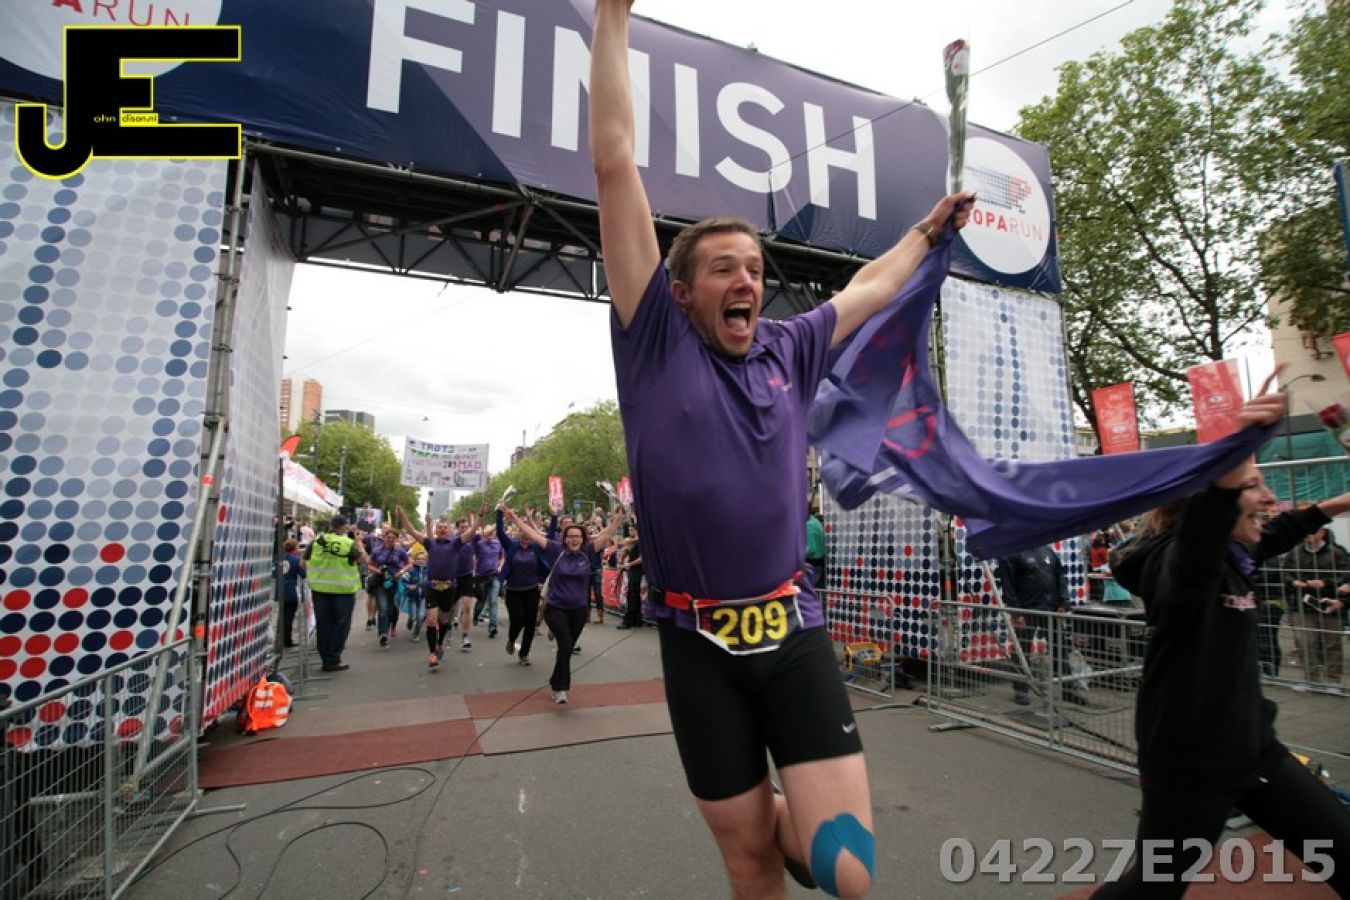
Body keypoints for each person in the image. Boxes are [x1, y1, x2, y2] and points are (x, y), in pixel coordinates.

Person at [589, 3, 973, 894]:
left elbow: (869, 288)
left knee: (848, 872)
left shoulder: (789, 349)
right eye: (724, 268)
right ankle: (757, 822)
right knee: (750, 862)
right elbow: (613, 160)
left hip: (791, 631)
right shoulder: (653, 342)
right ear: (681, 292)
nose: (747, 280)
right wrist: (612, 17)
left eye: (756, 269)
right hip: (696, 645)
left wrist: (926, 232)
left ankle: (779, 817)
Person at [1091, 386, 1350, 898]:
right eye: (1253, 487)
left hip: (1255, 751)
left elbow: (1278, 532)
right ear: (1208, 505)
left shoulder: (1236, 554)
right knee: (1151, 888)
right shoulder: (1180, 567)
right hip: (1190, 763)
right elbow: (1201, 539)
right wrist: (1240, 442)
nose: (1270, 498)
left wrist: (1340, 502)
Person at [504, 506, 625, 702]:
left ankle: (555, 679)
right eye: (570, 536)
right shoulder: (555, 550)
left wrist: (619, 519)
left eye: (577, 536)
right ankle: (560, 689)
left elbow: (607, 534)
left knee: (566, 649)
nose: (574, 539)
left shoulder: (588, 551)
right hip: (556, 608)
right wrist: (515, 519)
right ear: (565, 538)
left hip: (579, 610)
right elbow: (533, 534)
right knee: (566, 645)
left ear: (583, 538)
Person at [996, 544, 1087, 707]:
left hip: (1050, 609)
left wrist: (1064, 601)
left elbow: (1060, 576)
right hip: (1027, 610)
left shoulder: (1048, 551)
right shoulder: (1011, 553)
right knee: (1022, 650)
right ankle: (1021, 690)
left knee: (1060, 649)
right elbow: (1008, 584)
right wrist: (1016, 612)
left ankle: (1067, 690)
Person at [1284, 523, 1350, 690]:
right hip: (1302, 604)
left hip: (1330, 603)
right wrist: (1293, 582)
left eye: (1313, 531)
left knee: (1332, 643)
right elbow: (1285, 572)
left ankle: (1333, 680)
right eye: (1306, 531)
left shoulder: (1336, 552)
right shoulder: (1295, 552)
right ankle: (1311, 679)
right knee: (1304, 643)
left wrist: (1326, 583)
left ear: (1322, 533)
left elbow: (1346, 575)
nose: (1308, 534)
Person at [398, 509, 460, 670]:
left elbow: (472, 531)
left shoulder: (455, 543)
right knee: (431, 620)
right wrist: (402, 516)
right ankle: (432, 653)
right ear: (436, 530)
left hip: (449, 587)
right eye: (440, 527)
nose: (443, 529)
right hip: (432, 587)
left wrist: (481, 515)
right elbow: (412, 530)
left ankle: (440, 643)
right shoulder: (430, 543)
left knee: (444, 620)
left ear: (450, 530)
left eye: (445, 527)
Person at [304, 514, 365, 672]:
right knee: (341, 624)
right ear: (344, 527)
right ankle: (333, 659)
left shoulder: (316, 541)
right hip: (343, 590)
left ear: (331, 525)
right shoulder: (348, 543)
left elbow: (303, 563)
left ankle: (325, 658)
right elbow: (362, 559)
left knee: (323, 624)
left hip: (320, 589)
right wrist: (359, 542)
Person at [496, 505, 550, 667]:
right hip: (513, 591)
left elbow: (551, 536)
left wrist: (554, 516)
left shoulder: (536, 547)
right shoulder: (511, 545)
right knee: (517, 620)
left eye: (529, 533)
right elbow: (500, 532)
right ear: (520, 532)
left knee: (530, 624)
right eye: (524, 532)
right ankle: (511, 639)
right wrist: (499, 513)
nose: (527, 535)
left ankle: (524, 654)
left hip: (531, 590)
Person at [367, 528, 411, 647]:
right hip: (379, 582)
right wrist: (377, 570)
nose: (390, 539)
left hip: (393, 581)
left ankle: (387, 628)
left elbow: (409, 564)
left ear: (396, 538)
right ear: (384, 537)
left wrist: (401, 572)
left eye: (393, 537)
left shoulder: (400, 551)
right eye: (388, 537)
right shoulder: (377, 550)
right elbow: (369, 565)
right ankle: (383, 634)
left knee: (391, 609)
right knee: (383, 608)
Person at [472, 522, 504, 639]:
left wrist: (500, 566)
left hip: (494, 576)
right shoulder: (478, 543)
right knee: (481, 601)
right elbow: (475, 540)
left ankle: (493, 626)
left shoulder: (498, 544)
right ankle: (475, 615)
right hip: (481, 577)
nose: (490, 534)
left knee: (493, 600)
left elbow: (502, 557)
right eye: (488, 532)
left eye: (492, 532)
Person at [617, 526, 644, 629]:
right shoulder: (636, 542)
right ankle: (636, 620)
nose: (629, 532)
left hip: (636, 571)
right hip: (634, 571)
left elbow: (641, 558)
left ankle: (629, 620)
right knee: (634, 595)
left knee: (632, 595)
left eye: (631, 530)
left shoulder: (640, 542)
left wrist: (629, 564)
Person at [279, 538, 304, 649]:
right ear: (295, 548)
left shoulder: (280, 559)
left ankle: (281, 639)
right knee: (289, 616)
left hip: (281, 590)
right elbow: (303, 574)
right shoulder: (296, 560)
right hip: (292, 591)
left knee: (282, 616)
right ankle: (287, 640)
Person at [401, 550, 430, 643]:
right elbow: (403, 581)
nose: (421, 561)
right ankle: (410, 620)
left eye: (423, 559)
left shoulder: (429, 571)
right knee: (414, 617)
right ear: (415, 560)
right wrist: (408, 586)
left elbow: (432, 582)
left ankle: (416, 633)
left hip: (424, 597)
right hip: (412, 598)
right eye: (418, 559)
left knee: (421, 617)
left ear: (426, 560)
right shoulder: (411, 571)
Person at [805, 504, 826, 597]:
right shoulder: (814, 520)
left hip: (813, 563)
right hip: (819, 562)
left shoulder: (808, 525)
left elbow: (811, 549)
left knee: (810, 592)